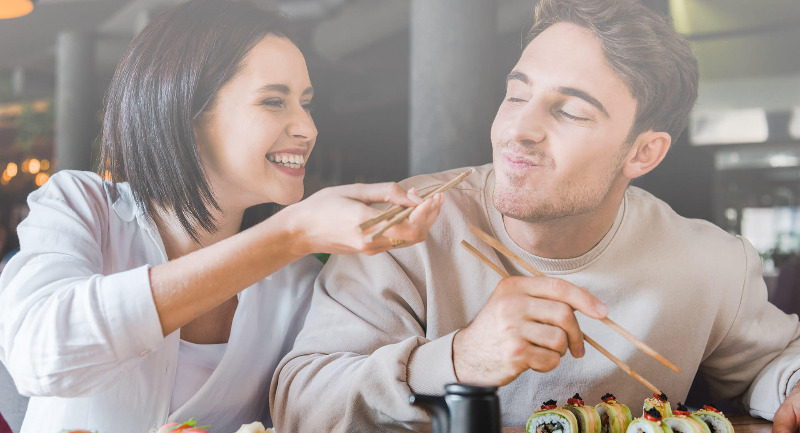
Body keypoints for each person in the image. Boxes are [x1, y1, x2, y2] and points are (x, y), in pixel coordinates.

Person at [270, 0, 800, 431]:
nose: (518, 129)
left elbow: (772, 366)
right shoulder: (407, 224)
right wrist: (459, 359)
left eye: (569, 111)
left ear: (644, 153)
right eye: (516, 94)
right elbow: (300, 404)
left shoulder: (710, 264)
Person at [0, 1, 443, 433]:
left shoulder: (300, 286)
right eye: (274, 101)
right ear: (188, 113)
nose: (307, 127)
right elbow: (40, 355)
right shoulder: (84, 206)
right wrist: (292, 232)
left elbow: (332, 407)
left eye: (305, 103)